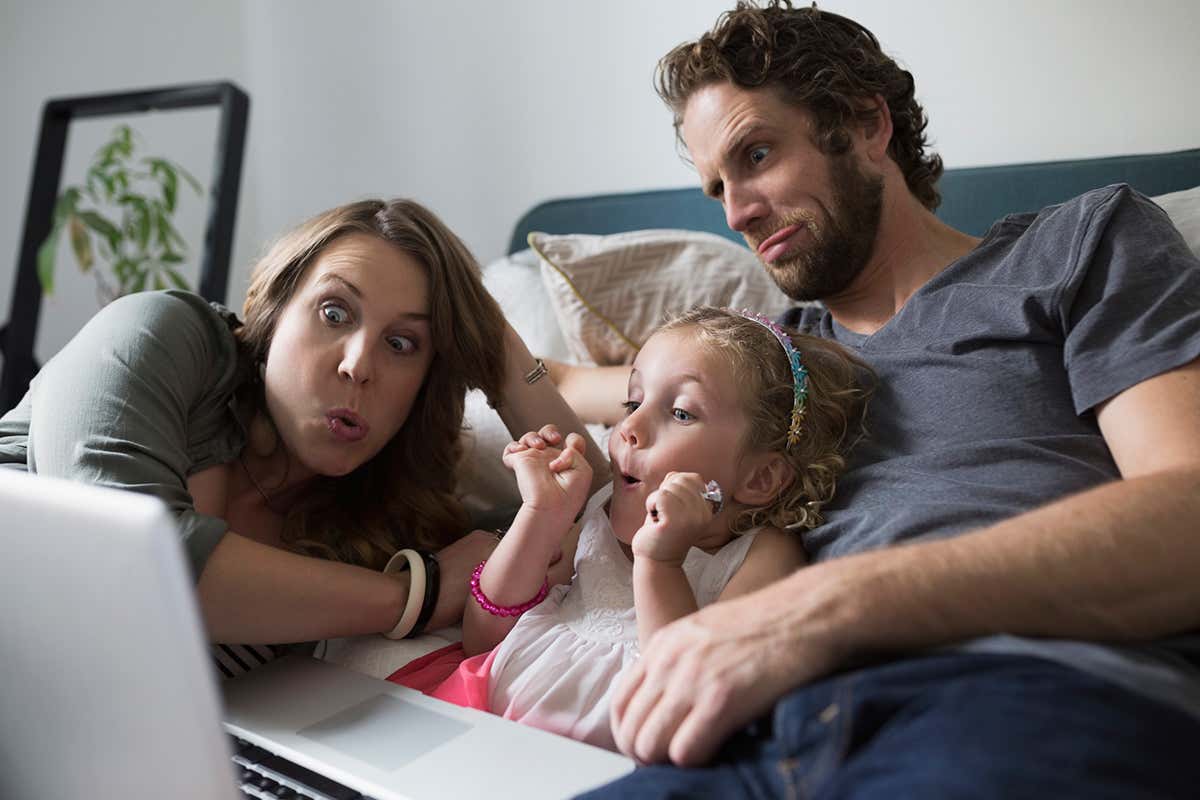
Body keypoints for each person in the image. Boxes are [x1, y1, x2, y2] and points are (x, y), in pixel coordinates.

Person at [558, 2, 1200, 797]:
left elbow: (1188, 516)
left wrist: (820, 608)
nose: (736, 212)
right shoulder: (764, 356)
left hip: (1019, 698)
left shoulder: (1080, 243)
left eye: (755, 154)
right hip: (773, 733)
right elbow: (569, 391)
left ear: (867, 123)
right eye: (716, 187)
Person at [0, 198, 607, 674]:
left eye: (403, 344)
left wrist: (498, 353)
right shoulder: (160, 335)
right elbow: (132, 565)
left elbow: (598, 513)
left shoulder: (377, 527)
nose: (358, 365)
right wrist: (411, 597)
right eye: (334, 313)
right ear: (273, 310)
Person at [389, 306, 870, 751]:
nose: (629, 427)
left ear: (761, 477)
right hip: (480, 719)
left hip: (605, 762)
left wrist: (660, 562)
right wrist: (541, 517)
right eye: (632, 400)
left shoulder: (763, 555)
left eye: (680, 412)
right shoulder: (597, 513)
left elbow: (687, 693)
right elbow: (485, 638)